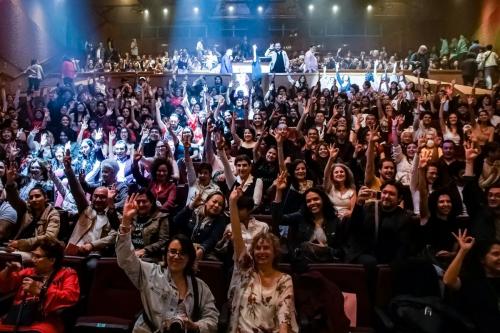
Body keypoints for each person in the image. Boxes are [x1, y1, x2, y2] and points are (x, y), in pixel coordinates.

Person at [117, 194, 219, 333]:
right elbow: (125, 258)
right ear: (165, 254)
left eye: (182, 253)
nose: (176, 256)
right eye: (172, 251)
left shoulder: (200, 287)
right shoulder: (149, 272)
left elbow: (212, 319)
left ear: (190, 258)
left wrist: (195, 326)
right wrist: (126, 222)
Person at [227, 185, 298, 332]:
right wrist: (232, 203)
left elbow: (284, 315)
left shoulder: (285, 280)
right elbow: (238, 237)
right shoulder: (246, 270)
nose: (261, 251)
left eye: (266, 248)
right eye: (258, 248)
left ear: (274, 253)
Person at [0, 238, 80, 333]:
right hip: (18, 318)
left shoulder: (67, 273)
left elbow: (70, 297)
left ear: (52, 260)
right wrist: (7, 271)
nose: (33, 259)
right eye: (33, 255)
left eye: (38, 257)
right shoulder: (29, 271)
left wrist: (41, 291)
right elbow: (4, 286)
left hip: (46, 321)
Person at [273, 171, 346, 262]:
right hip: (303, 264)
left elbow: (341, 251)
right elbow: (277, 219)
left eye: (315, 199)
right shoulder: (300, 217)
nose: (312, 203)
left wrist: (325, 250)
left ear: (323, 200)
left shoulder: (335, 221)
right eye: (309, 201)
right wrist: (279, 191)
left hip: (328, 263)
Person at [347, 181, 420, 264]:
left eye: (391, 194)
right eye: (384, 192)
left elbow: (403, 245)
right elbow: (354, 227)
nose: (386, 196)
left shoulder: (404, 217)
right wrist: (358, 203)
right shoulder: (369, 208)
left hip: (390, 257)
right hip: (364, 253)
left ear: (399, 198)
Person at [443, 230, 500, 333]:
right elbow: (448, 281)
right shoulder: (472, 281)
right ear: (482, 259)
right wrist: (463, 251)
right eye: (496, 254)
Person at [63, 152, 119, 256]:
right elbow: (77, 191)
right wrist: (69, 170)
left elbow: (116, 234)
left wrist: (92, 245)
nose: (98, 199)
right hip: (73, 249)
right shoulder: (86, 209)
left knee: (92, 265)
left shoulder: (114, 215)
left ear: (108, 199)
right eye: (95, 196)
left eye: (102, 197)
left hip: (94, 252)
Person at [5, 164, 60, 256]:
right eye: (31, 197)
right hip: (17, 248)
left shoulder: (52, 214)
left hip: (39, 252)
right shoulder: (25, 209)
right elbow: (14, 199)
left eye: (37, 196)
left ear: (46, 198)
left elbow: (49, 237)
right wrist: (10, 182)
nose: (34, 199)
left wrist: (20, 244)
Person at [172, 191, 227, 260]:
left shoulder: (220, 220)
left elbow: (212, 238)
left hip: (204, 253)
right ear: (206, 201)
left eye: (220, 205)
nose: (216, 205)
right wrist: (191, 206)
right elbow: (176, 221)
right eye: (214, 201)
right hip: (184, 248)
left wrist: (201, 249)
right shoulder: (192, 211)